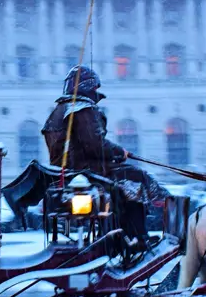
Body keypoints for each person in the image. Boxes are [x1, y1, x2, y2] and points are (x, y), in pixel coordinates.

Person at [42, 65, 168, 252]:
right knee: (136, 178)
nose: (96, 93)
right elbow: (95, 145)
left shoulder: (61, 110)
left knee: (128, 180)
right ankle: (138, 236)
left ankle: (130, 233)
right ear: (88, 86)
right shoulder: (81, 108)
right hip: (84, 171)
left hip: (71, 171)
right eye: (95, 89)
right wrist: (119, 152)